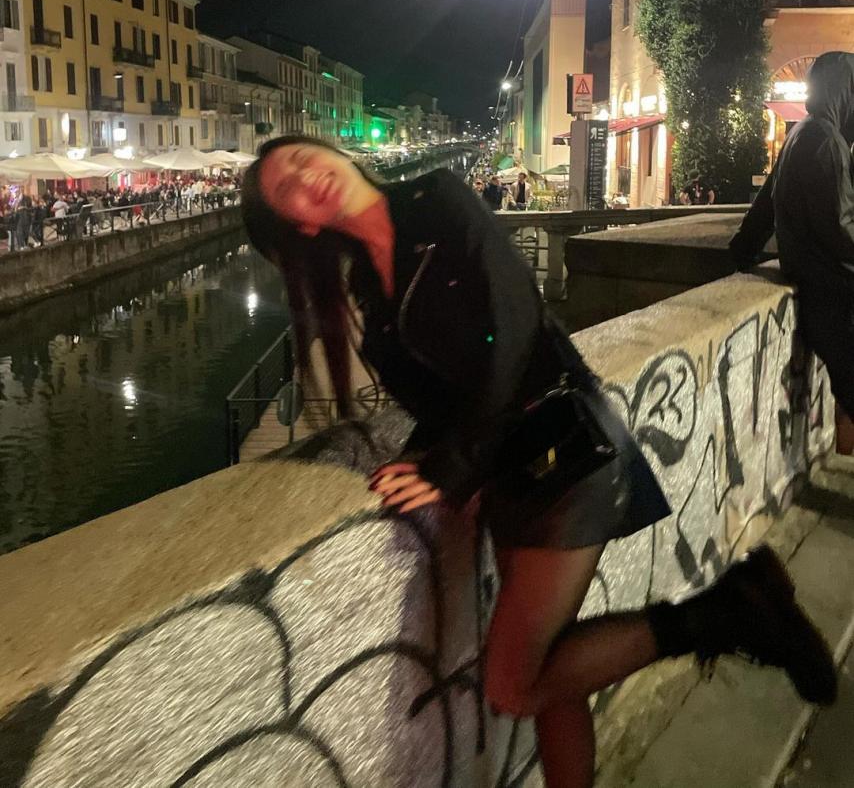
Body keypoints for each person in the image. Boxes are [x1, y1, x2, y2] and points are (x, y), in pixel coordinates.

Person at [241, 135, 836, 788]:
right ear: (300, 224)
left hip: (564, 451)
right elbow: (444, 398)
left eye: (300, 157)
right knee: (552, 674)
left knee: (512, 684)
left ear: (329, 152)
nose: (305, 174)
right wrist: (422, 458)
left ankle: (721, 612)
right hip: (509, 477)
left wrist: (451, 470)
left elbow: (514, 328)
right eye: (286, 187)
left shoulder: (436, 201)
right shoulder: (368, 295)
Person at [731, 51, 854, 456]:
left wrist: (741, 252)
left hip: (812, 280)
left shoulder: (802, 132)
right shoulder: (827, 143)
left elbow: (765, 207)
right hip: (833, 292)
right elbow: (841, 229)